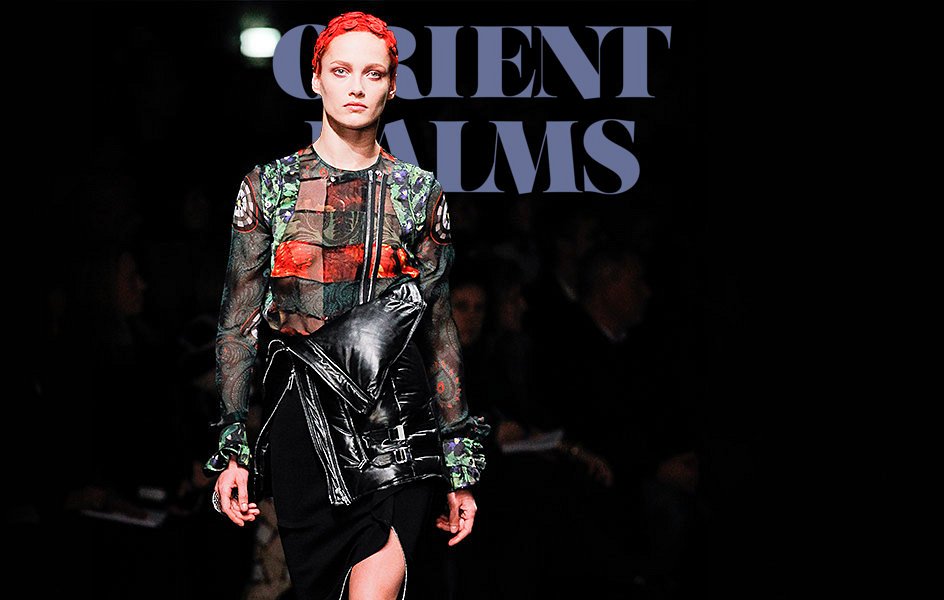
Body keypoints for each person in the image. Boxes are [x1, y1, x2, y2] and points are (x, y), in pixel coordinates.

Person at [202, 12, 490, 600]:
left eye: (372, 73)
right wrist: (233, 446)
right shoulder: (269, 187)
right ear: (316, 80)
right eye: (341, 71)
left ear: (392, 86)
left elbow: (438, 329)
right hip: (301, 426)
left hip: (396, 424)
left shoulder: (418, 192)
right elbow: (238, 322)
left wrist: (458, 457)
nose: (356, 86)